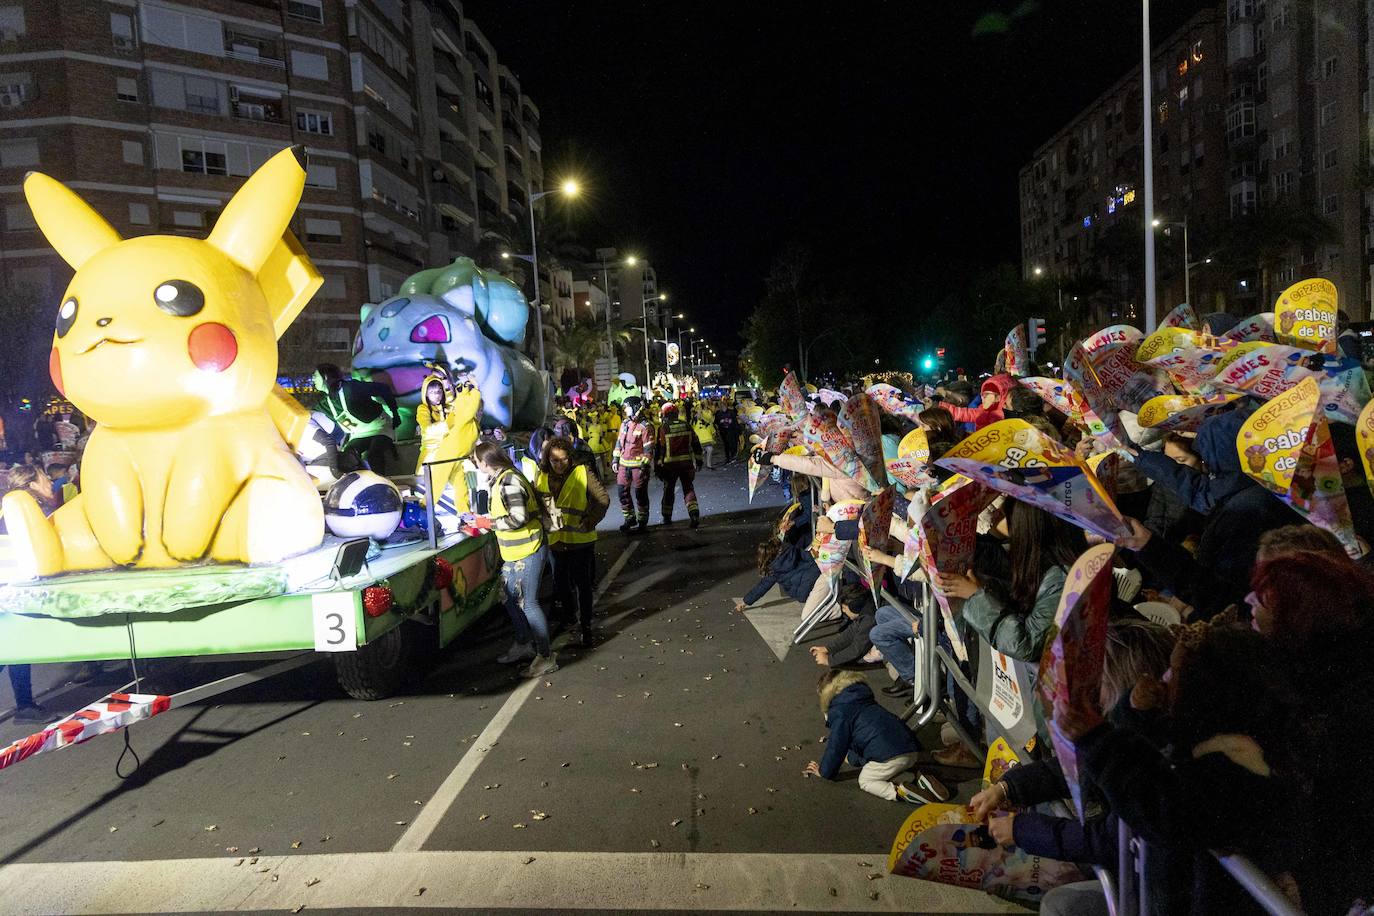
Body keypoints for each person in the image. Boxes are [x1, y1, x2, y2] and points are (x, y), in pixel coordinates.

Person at [1062, 622, 1305, 916]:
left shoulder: (1238, 757)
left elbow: (1165, 808)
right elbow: (1153, 749)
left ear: (1203, 688)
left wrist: (1095, 740)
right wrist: (1133, 710)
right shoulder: (1222, 736)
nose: (1164, 679)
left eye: (1175, 672)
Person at [1246, 550, 1374, 913]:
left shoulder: (1339, 702)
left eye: (1263, 600)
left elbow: (1341, 810)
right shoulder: (1321, 673)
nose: (1249, 604)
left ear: (1298, 617)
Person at [1119, 406, 1304, 619]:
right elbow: (1190, 484)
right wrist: (1138, 456)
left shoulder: (1244, 513)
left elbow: (1217, 592)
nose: (1206, 466)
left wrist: (1149, 547)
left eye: (1208, 459)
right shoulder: (1259, 484)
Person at [936, 500, 1083, 662]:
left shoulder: (1063, 579)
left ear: (1027, 524)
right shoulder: (1030, 558)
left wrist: (976, 596)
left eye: (1005, 513)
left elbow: (1025, 645)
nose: (996, 513)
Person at [474, 441, 558, 678]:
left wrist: (486, 524)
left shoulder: (509, 480)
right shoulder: (501, 479)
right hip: (513, 552)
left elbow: (518, 517)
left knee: (528, 603)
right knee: (508, 598)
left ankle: (545, 655)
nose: (475, 464)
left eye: (476, 460)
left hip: (528, 549)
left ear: (485, 462)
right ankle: (524, 643)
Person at [803, 670, 949, 804]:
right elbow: (866, 738)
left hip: (890, 756)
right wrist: (853, 758)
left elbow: (836, 746)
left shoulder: (840, 713)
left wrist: (824, 772)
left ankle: (900, 792)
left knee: (866, 780)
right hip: (910, 748)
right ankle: (920, 777)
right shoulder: (863, 698)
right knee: (889, 765)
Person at [535, 436, 609, 648]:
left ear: (570, 457)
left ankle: (586, 627)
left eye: (563, 460)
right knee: (560, 583)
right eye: (554, 460)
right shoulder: (541, 475)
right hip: (556, 541)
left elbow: (602, 499)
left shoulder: (582, 472)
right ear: (547, 459)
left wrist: (590, 521)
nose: (559, 465)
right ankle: (570, 617)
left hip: (580, 540)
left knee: (583, 585)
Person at [313, 363, 401, 476]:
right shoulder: (326, 403)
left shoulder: (352, 388)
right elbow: (309, 414)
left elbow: (382, 389)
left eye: (315, 376)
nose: (313, 379)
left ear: (325, 377)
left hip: (380, 427)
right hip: (359, 434)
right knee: (348, 457)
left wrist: (395, 412)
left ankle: (381, 483)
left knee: (374, 454)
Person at [735, 535, 822, 612]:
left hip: (803, 592)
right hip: (815, 574)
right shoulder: (791, 549)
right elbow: (809, 557)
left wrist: (745, 601)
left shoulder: (773, 570)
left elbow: (762, 587)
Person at [653, 402, 703, 527]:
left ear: (665, 415)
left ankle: (667, 517)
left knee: (668, 491)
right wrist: (699, 460)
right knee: (688, 488)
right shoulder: (686, 425)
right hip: (686, 464)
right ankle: (694, 514)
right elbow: (696, 443)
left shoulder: (663, 428)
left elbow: (660, 449)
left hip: (670, 466)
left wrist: (658, 467)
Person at [612, 397, 654, 533]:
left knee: (640, 494)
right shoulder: (625, 424)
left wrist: (644, 466)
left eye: (627, 406)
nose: (625, 409)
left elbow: (648, 449)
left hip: (638, 467)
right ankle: (629, 519)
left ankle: (642, 521)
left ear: (636, 407)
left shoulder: (646, 426)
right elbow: (619, 443)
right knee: (622, 493)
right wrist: (615, 460)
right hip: (624, 465)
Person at [693, 401, 718, 470]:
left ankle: (709, 465)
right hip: (698, 439)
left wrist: (713, 432)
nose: (699, 414)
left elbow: (710, 424)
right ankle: (695, 465)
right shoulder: (694, 420)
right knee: (697, 452)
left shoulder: (708, 417)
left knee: (710, 449)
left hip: (706, 438)